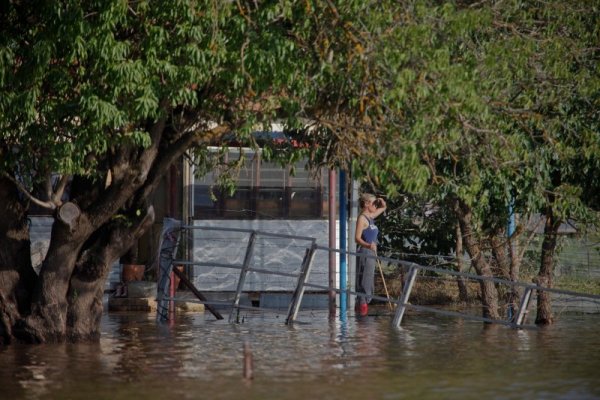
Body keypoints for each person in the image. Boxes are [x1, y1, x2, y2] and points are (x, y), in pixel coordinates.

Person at [355, 193, 386, 316]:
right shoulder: (362, 218)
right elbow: (357, 238)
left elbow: (383, 208)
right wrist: (368, 245)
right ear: (367, 204)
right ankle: (362, 313)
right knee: (364, 282)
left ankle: (363, 309)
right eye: (374, 203)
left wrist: (381, 202)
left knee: (369, 282)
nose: (376, 205)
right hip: (365, 252)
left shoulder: (370, 216)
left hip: (372, 253)